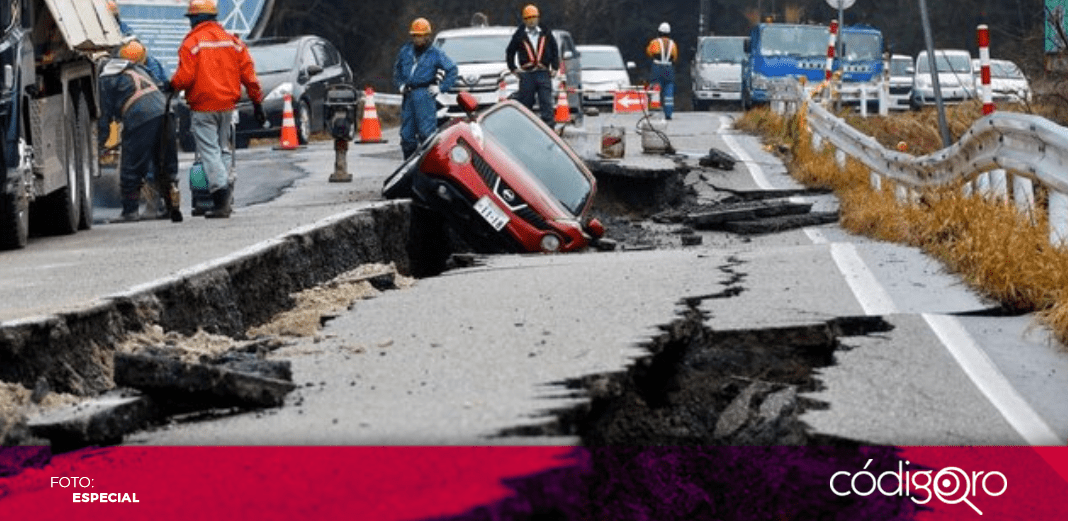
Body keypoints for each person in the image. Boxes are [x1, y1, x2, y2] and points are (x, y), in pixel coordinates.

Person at [169, 0, 265, 218]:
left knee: (209, 152)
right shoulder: (233, 42)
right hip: (227, 107)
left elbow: (184, 77)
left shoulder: (192, 43)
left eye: (191, 19)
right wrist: (257, 103)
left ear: (195, 19)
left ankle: (220, 199)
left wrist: (171, 85)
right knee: (222, 149)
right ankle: (225, 193)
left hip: (204, 107)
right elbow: (249, 76)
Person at [98, 43, 182, 222]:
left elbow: (104, 114)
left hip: (141, 116)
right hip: (166, 112)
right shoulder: (140, 70)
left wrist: (101, 142)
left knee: (131, 165)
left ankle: (130, 212)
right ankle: (170, 207)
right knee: (165, 163)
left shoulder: (106, 79)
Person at [392, 17, 457, 159]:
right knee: (407, 136)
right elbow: (397, 70)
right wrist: (401, 84)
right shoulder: (406, 51)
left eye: (420, 36)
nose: (417, 39)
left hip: (424, 95)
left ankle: (427, 166)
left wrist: (441, 88)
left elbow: (452, 69)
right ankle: (407, 165)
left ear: (427, 36)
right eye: (415, 35)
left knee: (427, 134)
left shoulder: (435, 53)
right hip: (408, 95)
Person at [505, 4, 559, 125]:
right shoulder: (519, 35)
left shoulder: (545, 32)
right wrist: (513, 68)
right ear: (524, 20)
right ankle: (526, 129)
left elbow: (554, 49)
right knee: (526, 104)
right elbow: (510, 52)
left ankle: (549, 128)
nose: (532, 21)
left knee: (546, 103)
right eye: (529, 18)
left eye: (534, 18)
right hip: (527, 75)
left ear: (538, 18)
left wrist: (555, 67)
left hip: (543, 72)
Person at [646, 22, 678, 120]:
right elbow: (675, 57)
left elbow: (649, 53)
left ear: (659, 32)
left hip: (657, 67)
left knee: (655, 89)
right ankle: (668, 114)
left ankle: (654, 113)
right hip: (669, 68)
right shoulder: (673, 44)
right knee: (669, 91)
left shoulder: (655, 42)